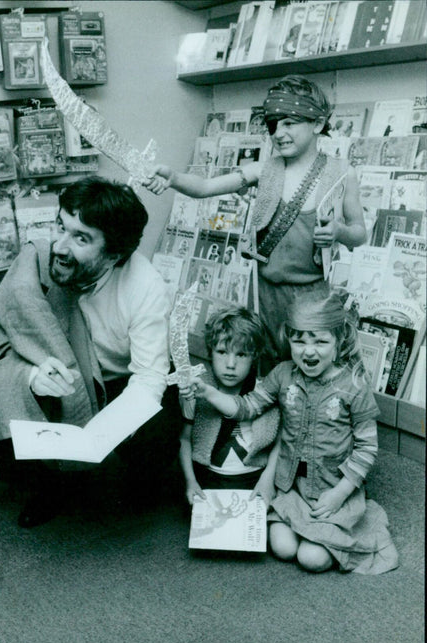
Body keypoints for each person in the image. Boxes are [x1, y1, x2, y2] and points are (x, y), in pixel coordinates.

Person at [0, 176, 183, 527]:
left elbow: (149, 378)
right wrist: (32, 378)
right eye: (61, 227)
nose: (60, 247)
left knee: (156, 435)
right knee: (4, 388)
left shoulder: (146, 287)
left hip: (117, 381)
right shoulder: (37, 259)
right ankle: (48, 488)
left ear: (114, 253)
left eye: (81, 238)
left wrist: (98, 436)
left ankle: (134, 482)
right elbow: (3, 345)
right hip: (59, 375)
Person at [147, 75, 367, 362]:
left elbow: (360, 233)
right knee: (268, 367)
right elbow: (205, 187)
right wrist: (173, 178)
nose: (279, 132)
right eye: (273, 124)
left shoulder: (340, 173)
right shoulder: (263, 170)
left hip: (312, 296)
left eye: (289, 122)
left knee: (310, 368)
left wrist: (338, 231)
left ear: (317, 123)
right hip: (262, 293)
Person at [180, 292, 399, 574]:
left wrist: (339, 494)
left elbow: (367, 448)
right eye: (299, 341)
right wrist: (208, 392)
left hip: (334, 488)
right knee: (283, 549)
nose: (309, 351)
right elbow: (246, 407)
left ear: (339, 341)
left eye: (320, 341)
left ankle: (352, 527)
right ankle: (306, 529)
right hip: (292, 488)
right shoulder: (282, 375)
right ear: (289, 340)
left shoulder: (353, 386)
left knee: (312, 558)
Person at [178, 307, 280, 506]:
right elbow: (184, 439)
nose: (230, 364)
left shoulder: (265, 390)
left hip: (256, 479)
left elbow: (280, 441)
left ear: (254, 356)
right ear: (211, 352)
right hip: (209, 477)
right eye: (222, 352)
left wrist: (267, 479)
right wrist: (190, 482)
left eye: (241, 354)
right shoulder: (196, 389)